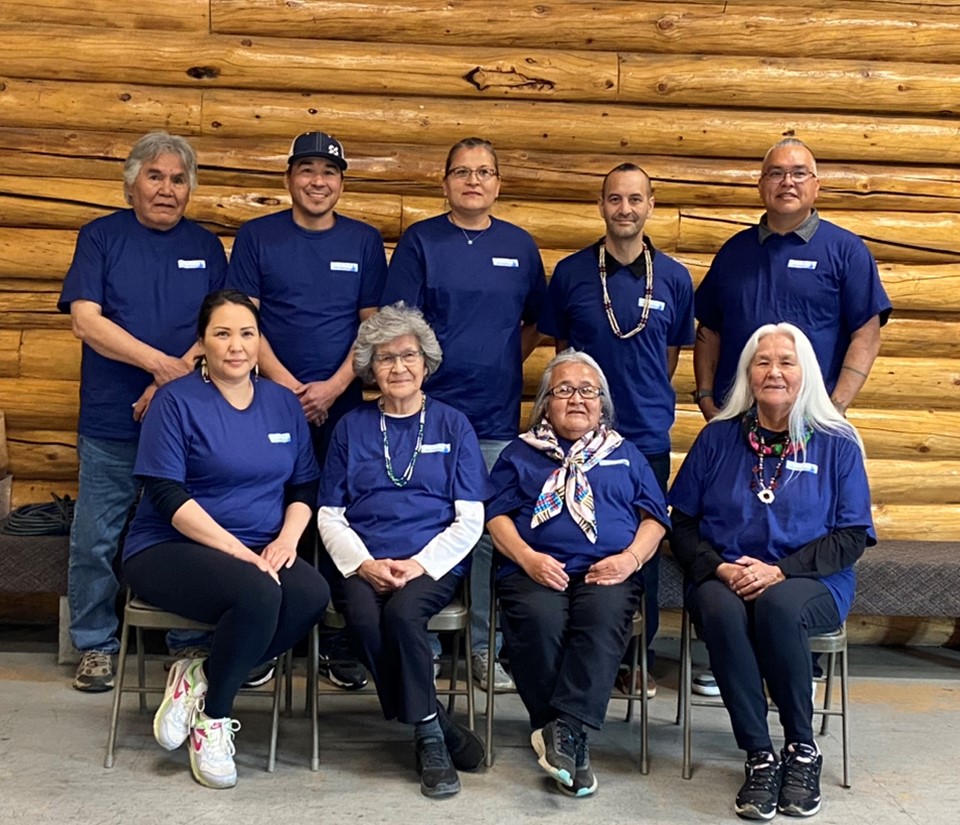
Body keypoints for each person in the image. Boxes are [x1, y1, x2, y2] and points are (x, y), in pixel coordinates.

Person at [122, 290, 330, 790]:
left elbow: (304, 486)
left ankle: (200, 675)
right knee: (258, 591)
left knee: (311, 594)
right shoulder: (174, 401)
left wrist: (285, 541)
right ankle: (213, 721)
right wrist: (241, 554)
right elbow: (167, 494)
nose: (236, 346)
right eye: (222, 333)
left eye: (247, 333)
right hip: (166, 547)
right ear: (202, 343)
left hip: (261, 544)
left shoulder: (282, 404)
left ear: (260, 341)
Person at [670, 322, 875, 820]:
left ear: (806, 373)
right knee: (719, 611)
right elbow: (682, 523)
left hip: (811, 581)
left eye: (786, 362)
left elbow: (850, 537)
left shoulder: (837, 443)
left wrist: (779, 572)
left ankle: (801, 749)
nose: (774, 371)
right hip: (726, 575)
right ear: (747, 374)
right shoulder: (718, 438)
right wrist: (718, 569)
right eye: (762, 362)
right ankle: (759, 755)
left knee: (779, 607)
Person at [57, 131, 227, 692]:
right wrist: (164, 368)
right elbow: (86, 320)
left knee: (183, 534)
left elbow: (219, 330)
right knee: (96, 537)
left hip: (184, 426)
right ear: (131, 182)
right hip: (112, 419)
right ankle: (95, 645)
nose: (166, 188)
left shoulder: (206, 247)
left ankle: (186, 643)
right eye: (155, 176)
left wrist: (172, 382)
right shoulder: (101, 237)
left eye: (178, 179)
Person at [382, 137, 547, 690]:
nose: (473, 181)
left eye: (484, 172)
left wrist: (500, 359)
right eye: (461, 172)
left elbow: (534, 323)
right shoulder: (421, 241)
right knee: (423, 519)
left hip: (495, 417)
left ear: (498, 183)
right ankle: (422, 643)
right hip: (423, 413)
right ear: (445, 182)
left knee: (484, 533)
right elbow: (399, 327)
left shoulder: (520, 246)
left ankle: (483, 646)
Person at [227, 130, 388, 690]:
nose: (318, 181)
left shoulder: (365, 242)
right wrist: (294, 388)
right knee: (272, 508)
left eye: (329, 172)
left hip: (343, 407)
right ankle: (267, 634)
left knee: (343, 513)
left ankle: (340, 640)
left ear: (341, 182)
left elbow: (372, 325)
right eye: (307, 170)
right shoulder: (256, 237)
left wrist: (333, 386)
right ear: (289, 178)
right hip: (267, 401)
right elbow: (245, 324)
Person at [317, 303, 491, 798]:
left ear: (425, 362)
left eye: (407, 356)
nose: (398, 367)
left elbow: (470, 518)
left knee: (402, 616)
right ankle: (434, 725)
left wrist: (419, 564)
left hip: (431, 562)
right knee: (366, 618)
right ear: (370, 368)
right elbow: (329, 514)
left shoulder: (453, 425)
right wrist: (365, 564)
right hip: (361, 559)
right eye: (385, 358)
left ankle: (429, 735)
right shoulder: (350, 427)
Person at [538, 162, 694, 699]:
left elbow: (669, 356)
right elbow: (562, 356)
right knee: (570, 538)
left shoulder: (673, 277)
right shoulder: (571, 273)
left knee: (638, 550)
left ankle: (636, 658)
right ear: (601, 205)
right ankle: (568, 653)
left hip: (644, 436)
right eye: (614, 199)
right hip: (576, 440)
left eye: (635, 200)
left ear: (651, 205)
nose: (624, 209)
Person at [486, 350, 669, 797]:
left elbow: (655, 518)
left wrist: (630, 560)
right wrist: (528, 558)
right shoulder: (520, 453)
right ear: (545, 403)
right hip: (534, 566)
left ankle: (562, 730)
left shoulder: (626, 454)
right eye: (563, 389)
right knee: (540, 618)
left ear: (602, 404)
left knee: (603, 618)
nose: (577, 399)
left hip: (607, 569)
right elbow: (495, 515)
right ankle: (568, 734)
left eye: (588, 390)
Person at [693, 138, 892, 420]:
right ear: (761, 186)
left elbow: (867, 335)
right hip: (736, 418)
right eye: (775, 173)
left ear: (816, 186)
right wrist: (705, 396)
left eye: (799, 173)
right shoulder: (733, 253)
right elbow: (709, 329)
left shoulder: (846, 251)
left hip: (813, 420)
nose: (787, 182)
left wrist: (835, 408)